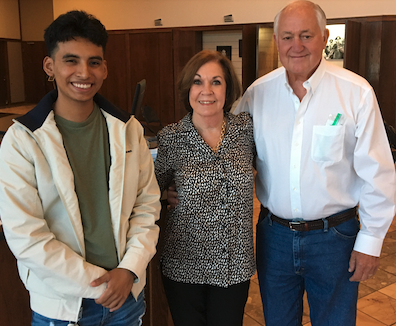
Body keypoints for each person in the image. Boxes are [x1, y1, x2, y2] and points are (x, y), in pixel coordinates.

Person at [233, 1, 396, 325]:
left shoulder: (356, 93)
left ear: (324, 37)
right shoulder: (257, 95)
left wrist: (372, 240)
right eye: (288, 36)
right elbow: (228, 149)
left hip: (334, 239)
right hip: (274, 238)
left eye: (306, 35)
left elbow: (378, 172)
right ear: (277, 40)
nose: (297, 46)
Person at [0, 10, 160, 326]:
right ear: (50, 66)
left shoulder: (127, 130)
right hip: (61, 308)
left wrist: (129, 270)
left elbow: (146, 207)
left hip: (125, 298)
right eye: (71, 60)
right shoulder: (22, 140)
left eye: (94, 62)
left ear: (105, 69)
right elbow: (26, 236)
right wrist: (99, 283)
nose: (83, 72)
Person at [154, 50, 256, 326]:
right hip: (183, 266)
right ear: (188, 88)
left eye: (216, 82)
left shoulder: (247, 131)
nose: (206, 91)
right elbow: (147, 192)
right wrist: (164, 195)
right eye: (198, 82)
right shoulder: (171, 138)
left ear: (228, 88)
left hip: (233, 266)